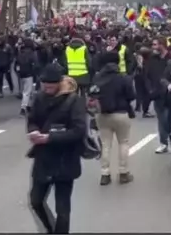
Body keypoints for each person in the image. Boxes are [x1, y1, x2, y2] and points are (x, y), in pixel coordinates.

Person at [27, 64, 86, 234]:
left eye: (51, 86)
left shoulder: (74, 100)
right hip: (43, 158)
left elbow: (79, 130)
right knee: (36, 201)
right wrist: (33, 131)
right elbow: (32, 119)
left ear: (60, 83)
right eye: (45, 86)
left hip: (65, 159)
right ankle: (50, 229)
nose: (47, 89)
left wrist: (50, 138)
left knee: (62, 208)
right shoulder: (39, 97)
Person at [92, 51, 135, 186]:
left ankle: (105, 174)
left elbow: (92, 93)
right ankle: (123, 173)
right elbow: (131, 95)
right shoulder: (124, 78)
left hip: (102, 114)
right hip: (121, 113)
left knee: (106, 144)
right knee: (123, 143)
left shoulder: (97, 77)